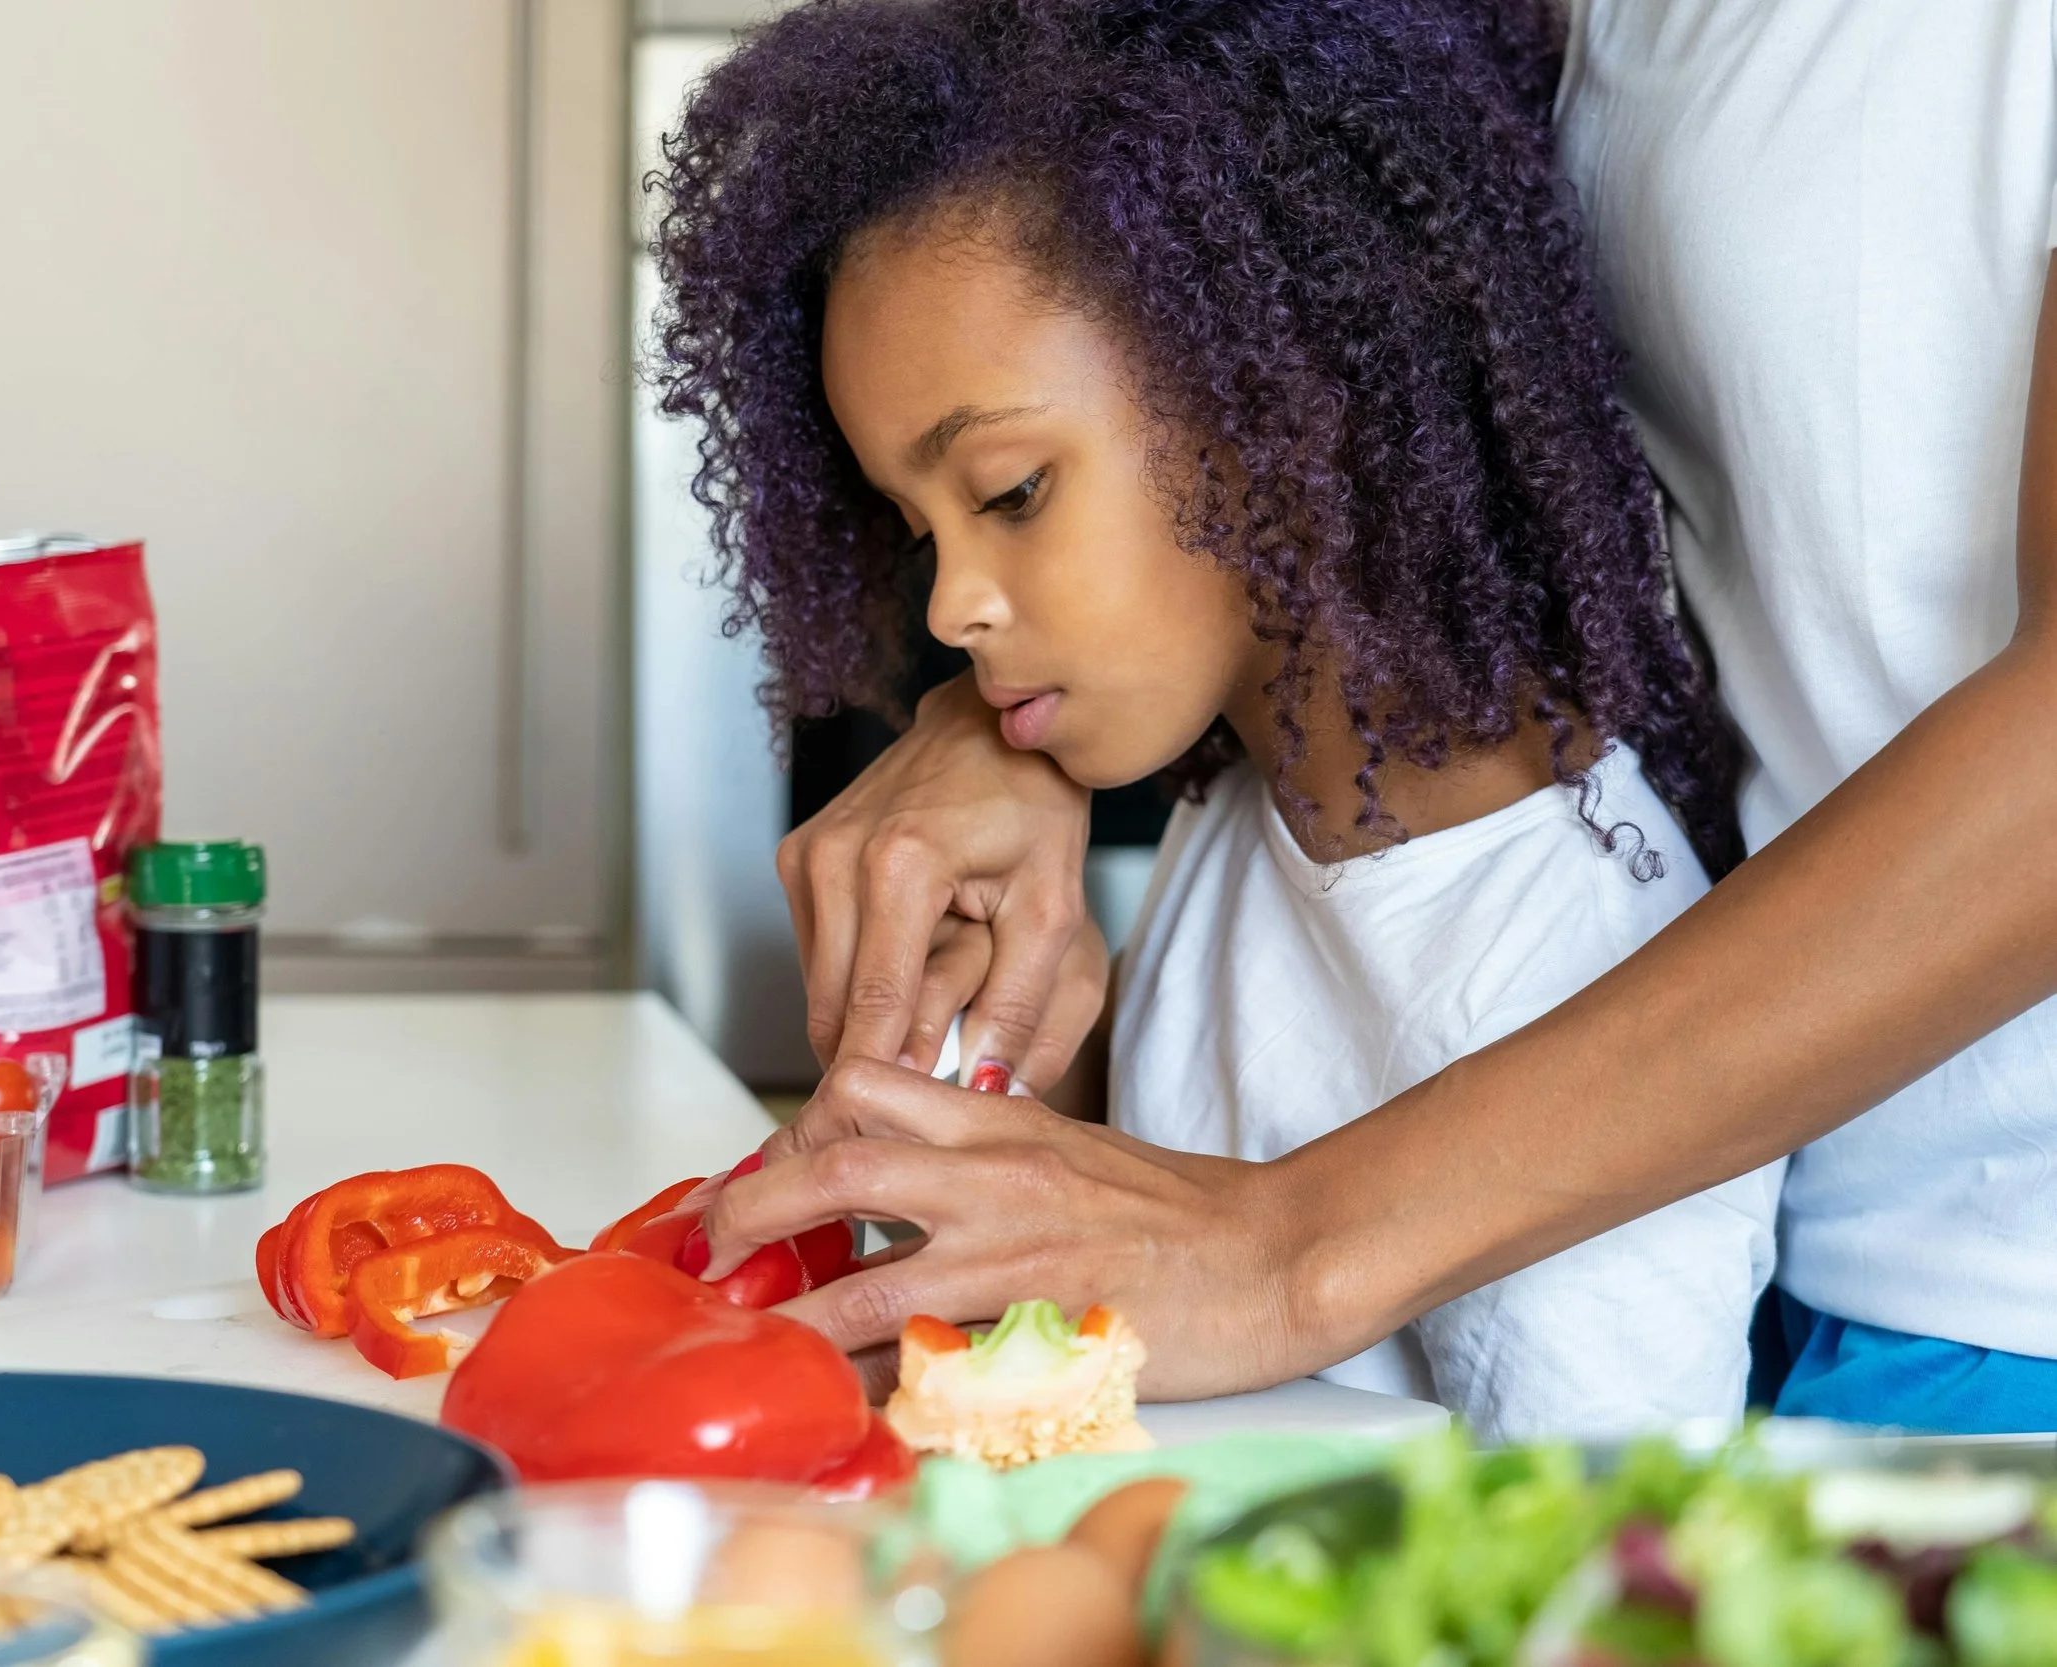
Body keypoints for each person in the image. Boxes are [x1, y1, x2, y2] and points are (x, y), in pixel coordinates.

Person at [690, 0, 2057, 1435]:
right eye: (923, 535)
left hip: (1997, 1304)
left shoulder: (1527, 927)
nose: (946, 605)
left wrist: (1293, 1247)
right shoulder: (1249, 852)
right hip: (1790, 1221)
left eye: (1013, 494)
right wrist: (1001, 728)